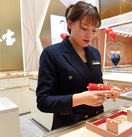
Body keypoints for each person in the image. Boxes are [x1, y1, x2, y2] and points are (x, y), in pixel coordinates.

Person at [36, 1, 121, 130]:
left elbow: (97, 85)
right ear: (70, 24)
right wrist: (79, 99)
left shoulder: (95, 53)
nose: (90, 35)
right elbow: (43, 102)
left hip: (97, 121)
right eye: (84, 28)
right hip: (69, 126)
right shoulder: (52, 53)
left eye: (94, 30)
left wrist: (109, 91)